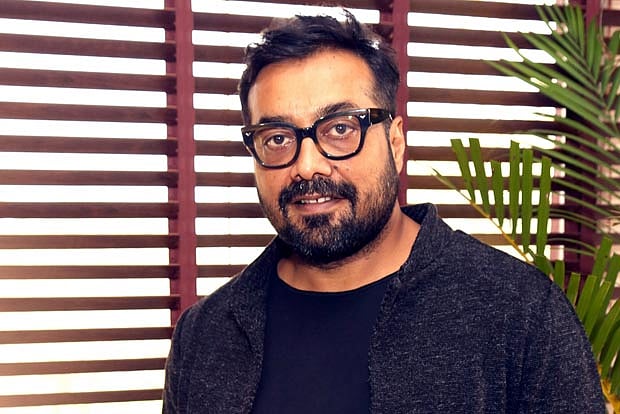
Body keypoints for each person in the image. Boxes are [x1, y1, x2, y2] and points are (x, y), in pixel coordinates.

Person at [162, 11, 605, 413]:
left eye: (340, 128)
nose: (307, 165)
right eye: (277, 138)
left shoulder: (521, 314)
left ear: (395, 143)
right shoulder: (204, 335)